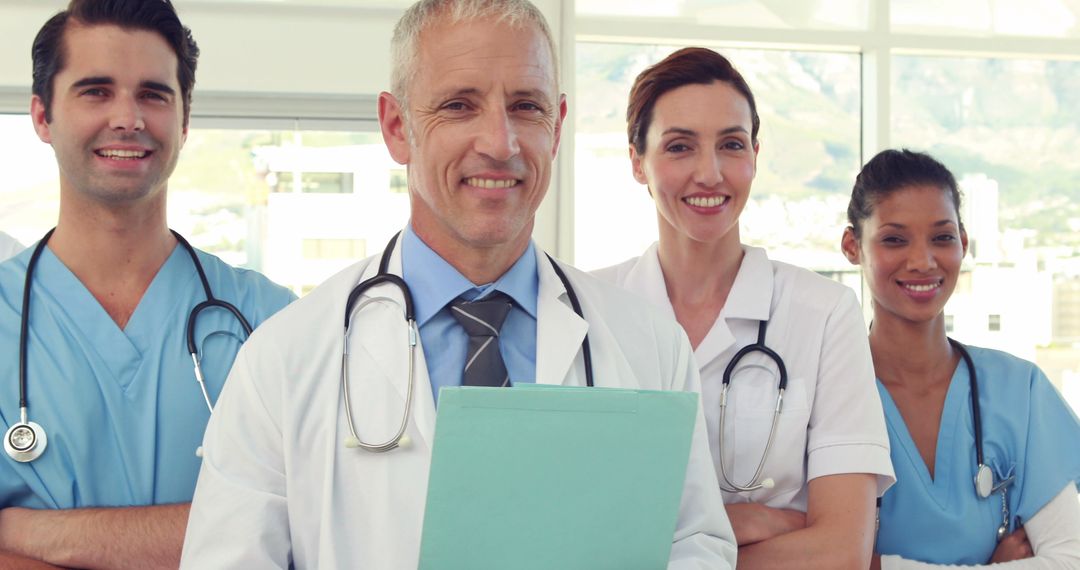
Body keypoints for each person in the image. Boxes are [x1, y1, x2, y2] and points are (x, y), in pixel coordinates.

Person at [179, 1, 737, 568]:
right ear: (398, 128)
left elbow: (696, 547)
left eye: (526, 106)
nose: (500, 142)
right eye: (458, 106)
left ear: (558, 126)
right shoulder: (282, 360)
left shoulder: (650, 347)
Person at [0, 1, 295, 568]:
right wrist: (208, 530)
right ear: (42, 116)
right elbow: (242, 539)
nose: (128, 118)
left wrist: (21, 531)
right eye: (95, 91)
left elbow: (299, 525)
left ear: (184, 120)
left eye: (153, 94)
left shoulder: (271, 320)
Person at [592, 47, 895, 568]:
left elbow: (844, 550)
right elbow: (573, 534)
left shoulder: (824, 314)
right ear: (638, 162)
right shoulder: (586, 310)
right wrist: (763, 524)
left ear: (754, 154)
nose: (709, 174)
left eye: (731, 145)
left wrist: (674, 548)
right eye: (680, 146)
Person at [841, 149, 1080, 569]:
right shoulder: (828, 393)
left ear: (963, 244)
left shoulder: (1017, 390)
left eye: (942, 237)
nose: (922, 261)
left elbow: (1069, 557)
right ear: (852, 246)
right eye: (894, 239)